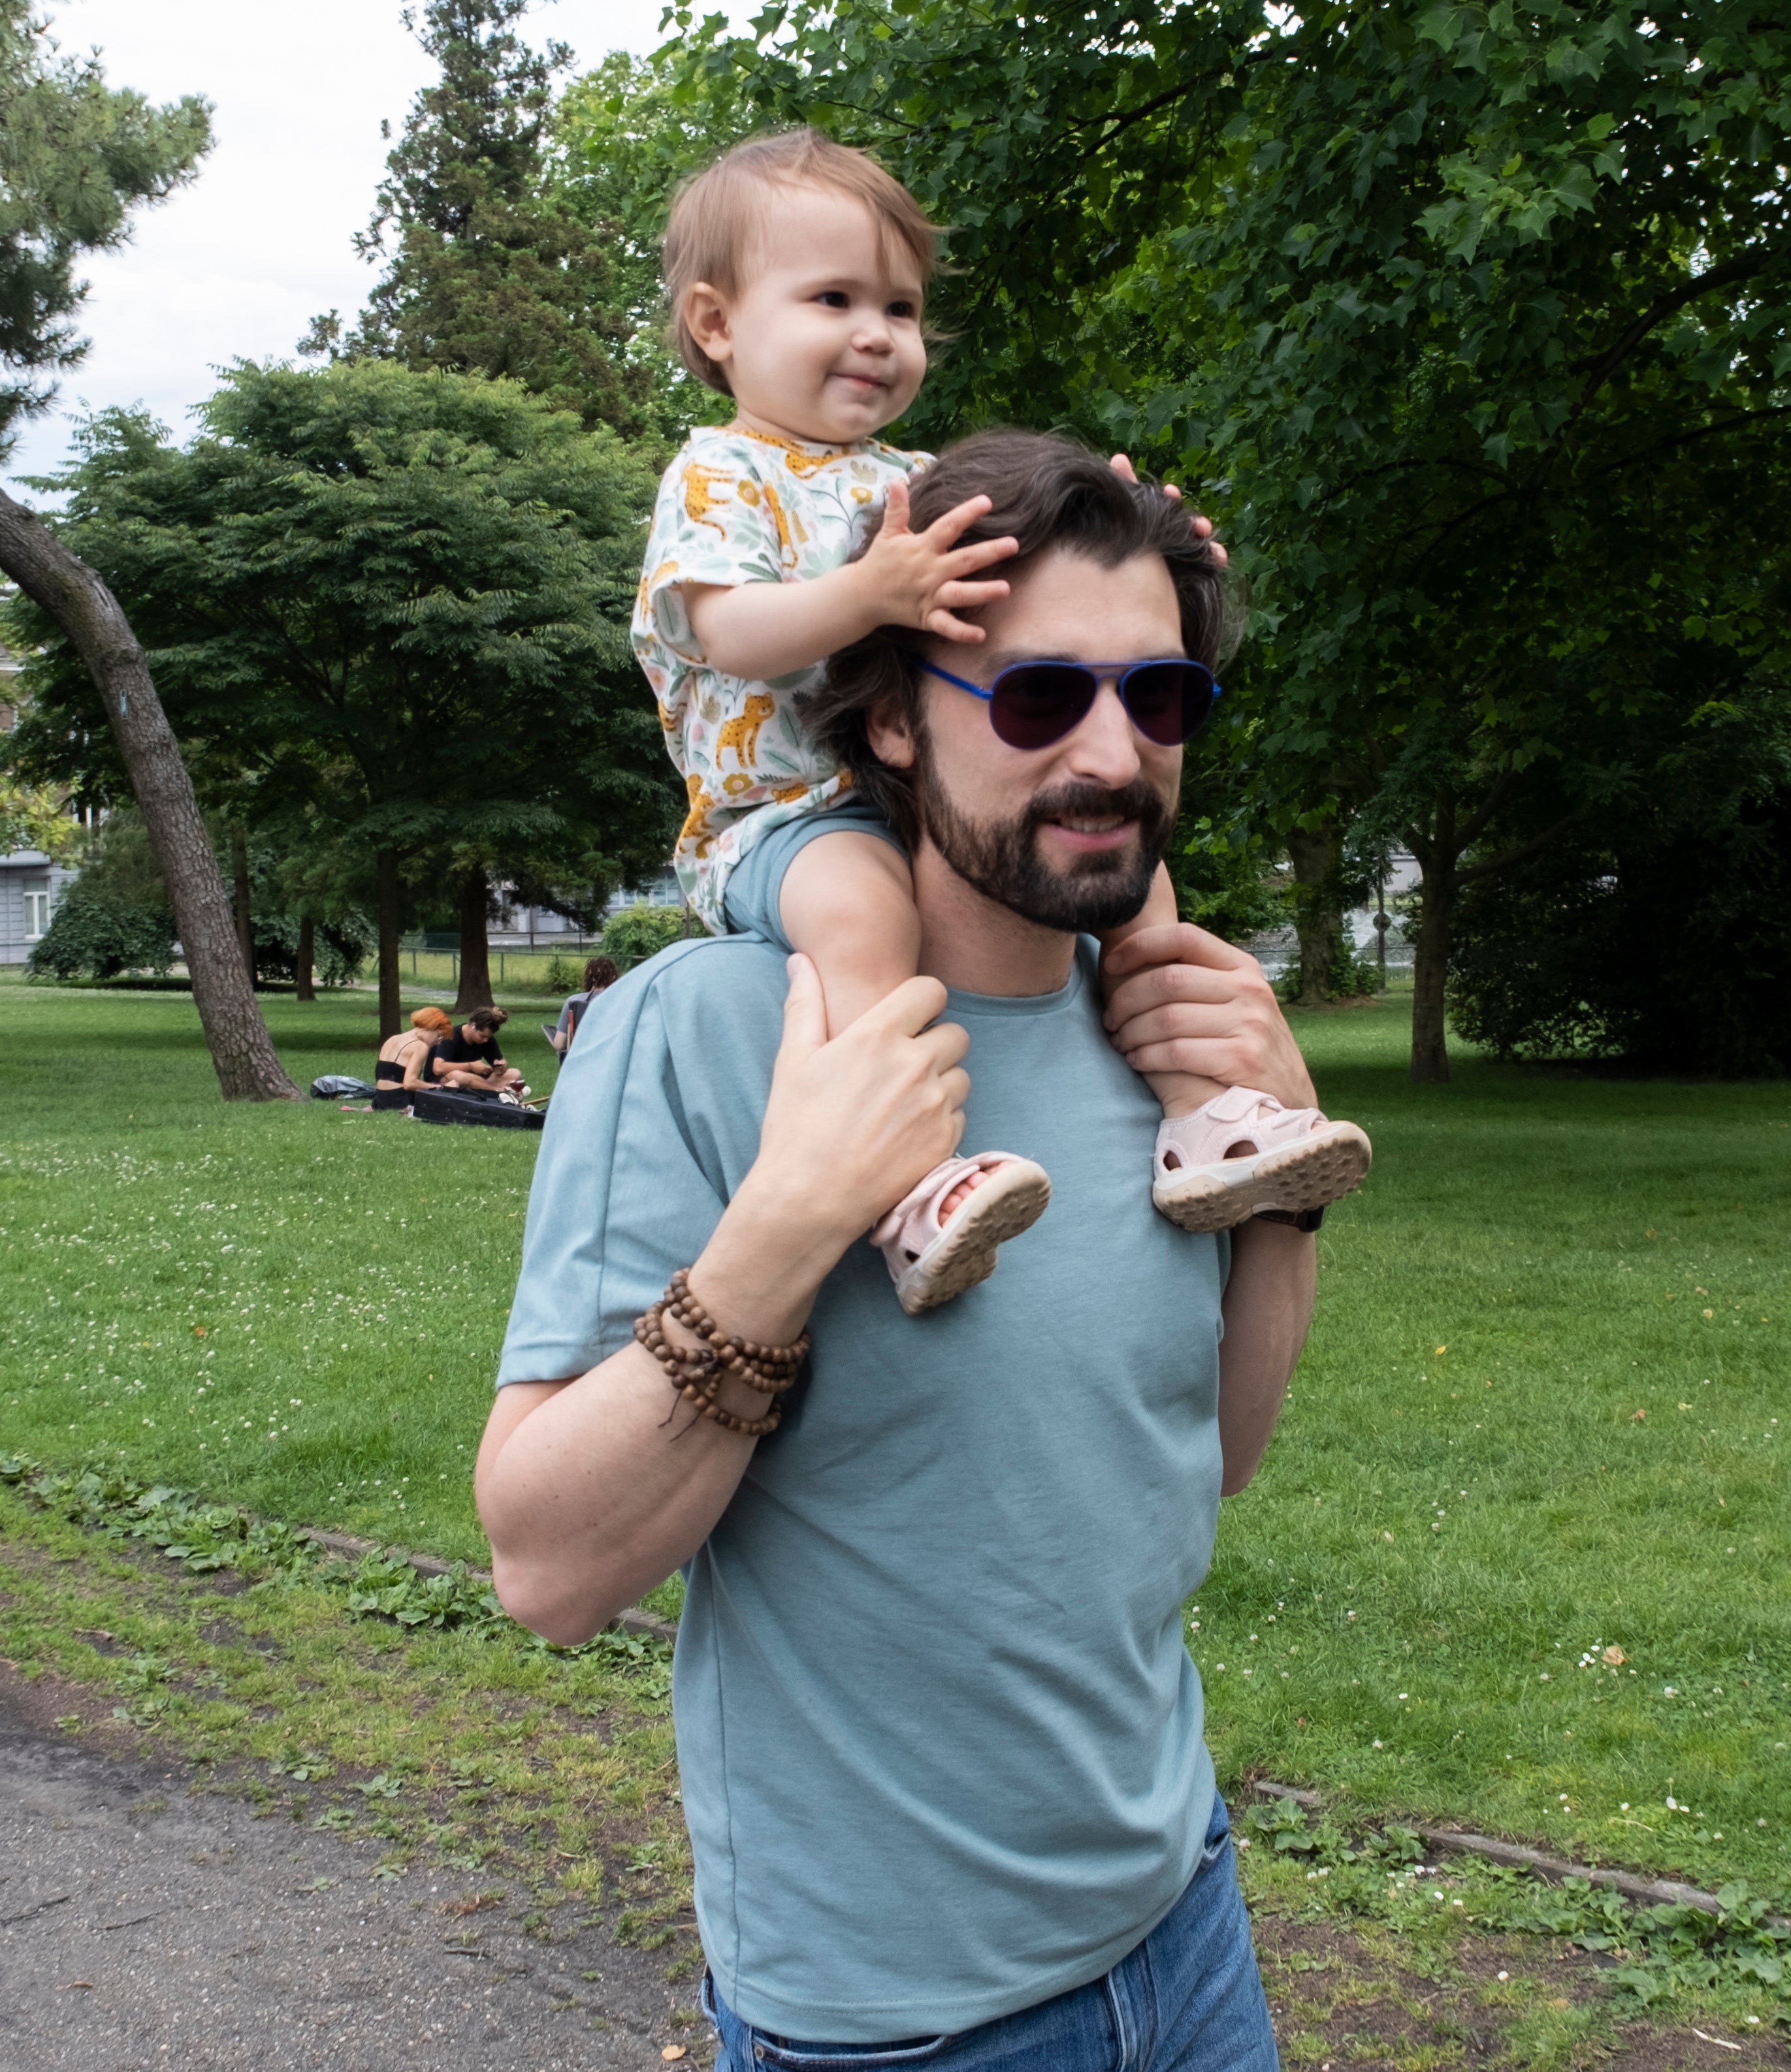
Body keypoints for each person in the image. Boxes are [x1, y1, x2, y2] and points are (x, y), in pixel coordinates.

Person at [481, 434, 1325, 2072]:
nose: (1111, 751)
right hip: (901, 2019)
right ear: (884, 717)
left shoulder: (1160, 1030)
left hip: (1184, 1924)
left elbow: (1203, 1457)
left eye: (1158, 698)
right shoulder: (711, 1031)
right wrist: (793, 1219)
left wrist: (1274, 1180)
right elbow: (547, 1571)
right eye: (1034, 698)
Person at [632, 128, 1367, 1313]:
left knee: (1144, 886)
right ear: (717, 325)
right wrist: (870, 594)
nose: (876, 333)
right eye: (833, 298)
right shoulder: (720, 477)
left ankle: (1208, 1120)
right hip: (776, 814)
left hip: (888, 795)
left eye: (902, 307)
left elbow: (1057, 570)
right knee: (867, 913)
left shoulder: (902, 480)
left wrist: (1154, 543)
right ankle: (911, 1187)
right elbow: (725, 633)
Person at [431, 1005, 525, 1096]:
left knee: (514, 1073)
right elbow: (438, 1069)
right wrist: (470, 1066)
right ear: (473, 1025)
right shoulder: (451, 1035)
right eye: (482, 1036)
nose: (485, 1040)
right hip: (445, 1081)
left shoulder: (487, 1040)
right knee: (459, 1076)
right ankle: (498, 1093)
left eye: (489, 1037)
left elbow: (498, 1064)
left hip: (476, 1082)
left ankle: (489, 1093)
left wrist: (501, 1067)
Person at [370, 1007, 449, 1111]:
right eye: (439, 1036)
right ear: (431, 1027)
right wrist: (440, 1088)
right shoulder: (420, 1046)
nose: (438, 1042)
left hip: (380, 1100)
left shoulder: (392, 1039)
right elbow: (410, 1083)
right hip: (400, 1101)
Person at [546, 954, 619, 1057]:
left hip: (582, 1060)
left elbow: (559, 1044)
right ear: (614, 977)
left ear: (590, 977)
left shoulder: (573, 1002)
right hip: (613, 1058)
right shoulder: (623, 1001)